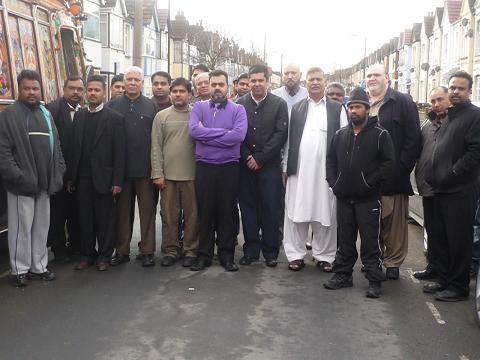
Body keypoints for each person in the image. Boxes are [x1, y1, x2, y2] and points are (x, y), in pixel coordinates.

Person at [324, 87, 394, 298]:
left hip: (368, 199)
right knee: (345, 240)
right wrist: (333, 183)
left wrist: (369, 183)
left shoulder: (381, 134)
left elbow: (389, 164)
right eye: (351, 107)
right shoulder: (339, 135)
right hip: (344, 197)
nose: (354, 111)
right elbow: (330, 161)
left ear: (367, 109)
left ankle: (374, 280)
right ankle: (343, 275)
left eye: (358, 107)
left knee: (370, 242)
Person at [0, 70, 65, 287]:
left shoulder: (46, 114)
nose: (31, 92)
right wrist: (18, 176)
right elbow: (4, 152)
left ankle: (39, 267)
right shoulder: (9, 115)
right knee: (20, 229)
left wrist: (59, 170)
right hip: (21, 185)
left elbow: (57, 147)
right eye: (27, 88)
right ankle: (20, 270)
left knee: (41, 228)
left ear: (40, 89)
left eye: (35, 88)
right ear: (20, 89)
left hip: (45, 184)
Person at [283, 67, 347, 272]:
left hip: (326, 173)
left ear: (325, 81)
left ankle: (324, 256)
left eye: (319, 79)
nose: (315, 83)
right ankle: (295, 254)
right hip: (299, 171)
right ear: (306, 83)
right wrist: (286, 167)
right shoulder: (298, 108)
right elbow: (289, 141)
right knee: (295, 211)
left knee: (326, 212)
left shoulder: (338, 109)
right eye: (311, 80)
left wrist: (341, 172)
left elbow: (345, 141)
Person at [423, 71, 480, 301]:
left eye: (461, 88)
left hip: (461, 189)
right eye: (453, 88)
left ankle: (458, 287)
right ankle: (445, 280)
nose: (455, 92)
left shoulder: (475, 116)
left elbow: (475, 152)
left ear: (470, 91)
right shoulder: (450, 117)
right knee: (444, 238)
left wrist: (453, 172)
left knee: (459, 240)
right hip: (442, 189)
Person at [188, 69, 247, 272]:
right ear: (208, 86)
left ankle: (226, 254)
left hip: (229, 167)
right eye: (213, 84)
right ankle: (204, 255)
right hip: (204, 167)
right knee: (205, 212)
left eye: (221, 84)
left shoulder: (238, 110)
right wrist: (224, 134)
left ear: (227, 86)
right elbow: (194, 131)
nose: (217, 88)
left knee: (227, 212)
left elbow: (237, 137)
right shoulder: (198, 107)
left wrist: (208, 135)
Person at [366, 64, 420, 280]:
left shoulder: (402, 101)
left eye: (376, 75)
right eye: (369, 75)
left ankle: (393, 263)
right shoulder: (362, 103)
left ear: (387, 78)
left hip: (394, 174)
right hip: (368, 175)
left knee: (394, 222)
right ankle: (375, 259)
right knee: (372, 220)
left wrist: (402, 167)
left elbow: (413, 138)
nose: (372, 78)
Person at [68, 75, 125, 271]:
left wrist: (117, 181)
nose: (92, 93)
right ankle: (87, 254)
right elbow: (75, 149)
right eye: (89, 90)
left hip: (105, 179)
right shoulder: (80, 116)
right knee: (85, 219)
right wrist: (71, 177)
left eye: (96, 90)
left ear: (104, 92)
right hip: (82, 178)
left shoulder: (114, 119)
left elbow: (119, 152)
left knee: (105, 220)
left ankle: (104, 256)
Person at [236, 64, 288, 267]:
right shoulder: (239, 105)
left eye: (260, 80)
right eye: (253, 80)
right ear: (248, 81)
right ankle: (251, 250)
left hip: (270, 166)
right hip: (245, 166)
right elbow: (237, 134)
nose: (257, 84)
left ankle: (270, 251)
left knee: (270, 208)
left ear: (267, 81)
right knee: (248, 208)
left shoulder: (279, 104)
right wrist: (248, 156)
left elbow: (280, 134)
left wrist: (261, 158)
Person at [108, 66, 159, 267]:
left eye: (136, 80)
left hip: (145, 170)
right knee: (121, 213)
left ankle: (147, 251)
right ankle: (121, 250)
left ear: (142, 83)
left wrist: (156, 170)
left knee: (147, 212)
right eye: (129, 79)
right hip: (121, 171)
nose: (132, 82)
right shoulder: (112, 106)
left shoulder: (151, 107)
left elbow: (157, 141)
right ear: (124, 81)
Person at [151, 77, 198, 268]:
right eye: (175, 91)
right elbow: (156, 147)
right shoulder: (161, 116)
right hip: (168, 177)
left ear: (190, 94)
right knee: (169, 216)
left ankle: (190, 250)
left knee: (193, 216)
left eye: (182, 91)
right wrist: (157, 173)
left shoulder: (197, 115)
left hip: (192, 176)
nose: (178, 94)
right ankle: (170, 250)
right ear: (171, 94)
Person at [45, 76, 84, 262]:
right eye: (72, 88)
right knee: (58, 214)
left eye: (79, 89)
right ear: (64, 89)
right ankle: (58, 249)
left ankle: (74, 246)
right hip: (58, 171)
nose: (75, 92)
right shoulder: (51, 110)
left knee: (75, 212)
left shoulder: (84, 111)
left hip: (77, 173)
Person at [413, 87, 449, 280]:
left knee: (445, 234)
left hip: (447, 189)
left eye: (440, 99)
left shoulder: (454, 123)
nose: (436, 104)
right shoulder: (427, 124)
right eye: (433, 100)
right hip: (427, 187)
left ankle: (445, 274)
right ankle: (433, 267)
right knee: (432, 231)